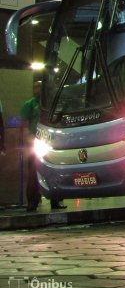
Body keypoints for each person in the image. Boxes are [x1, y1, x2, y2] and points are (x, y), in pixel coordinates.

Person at [20, 81, 66, 211]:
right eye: (37, 87)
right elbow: (23, 125)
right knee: (33, 173)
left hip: (50, 143)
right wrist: (28, 140)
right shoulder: (29, 104)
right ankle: (32, 202)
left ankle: (56, 201)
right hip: (35, 143)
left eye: (41, 87)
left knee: (54, 171)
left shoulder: (52, 104)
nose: (39, 90)